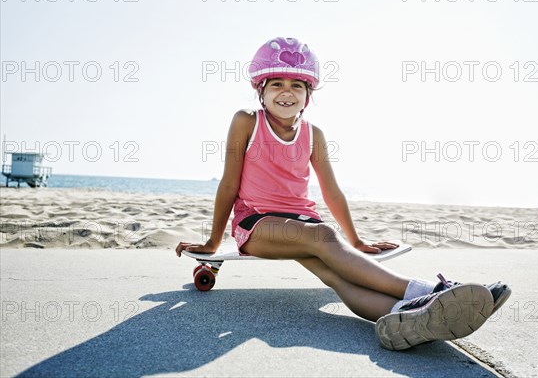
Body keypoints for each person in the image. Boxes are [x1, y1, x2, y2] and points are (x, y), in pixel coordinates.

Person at [175, 37, 511, 350]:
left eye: (297, 85)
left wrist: (357, 241)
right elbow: (229, 183)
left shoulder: (313, 134)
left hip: (303, 224)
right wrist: (212, 243)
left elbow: (331, 192)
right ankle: (430, 292)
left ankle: (408, 317)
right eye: (276, 84)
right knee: (322, 234)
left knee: (336, 276)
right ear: (260, 91)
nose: (286, 92)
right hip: (257, 225)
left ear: (309, 94)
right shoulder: (246, 121)